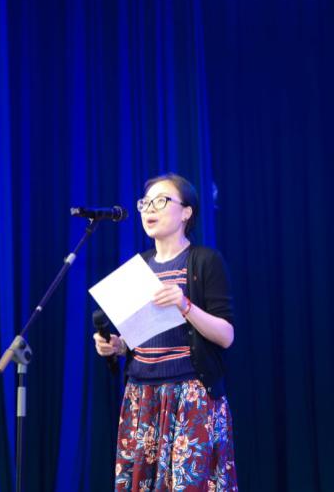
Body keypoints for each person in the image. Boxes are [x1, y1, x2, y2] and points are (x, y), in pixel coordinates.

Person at [93, 173, 238, 491]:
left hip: (191, 395)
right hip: (143, 397)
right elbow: (141, 335)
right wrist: (117, 345)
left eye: (161, 201)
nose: (149, 209)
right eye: (145, 203)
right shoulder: (139, 267)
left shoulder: (204, 261)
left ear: (186, 212)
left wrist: (185, 305)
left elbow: (226, 335)